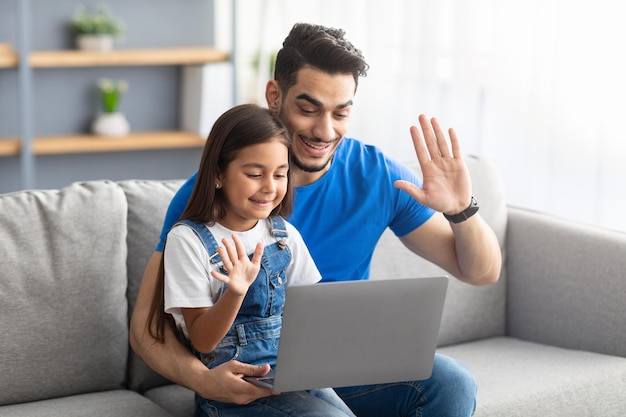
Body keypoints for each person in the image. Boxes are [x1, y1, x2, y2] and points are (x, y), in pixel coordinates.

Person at [131, 23, 502, 417]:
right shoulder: (208, 199)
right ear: (274, 96)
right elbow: (145, 329)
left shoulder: (377, 175)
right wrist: (203, 380)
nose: (325, 131)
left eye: (340, 113)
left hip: (337, 365)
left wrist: (460, 209)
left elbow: (481, 272)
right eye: (308, 110)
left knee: (451, 382)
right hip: (245, 381)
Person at [150, 103, 355, 416]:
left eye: (280, 174)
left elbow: (313, 314)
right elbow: (203, 341)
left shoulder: (284, 235)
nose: (270, 187)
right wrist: (235, 292)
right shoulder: (188, 240)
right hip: (230, 394)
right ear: (218, 173)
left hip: (289, 378)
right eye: (255, 174)